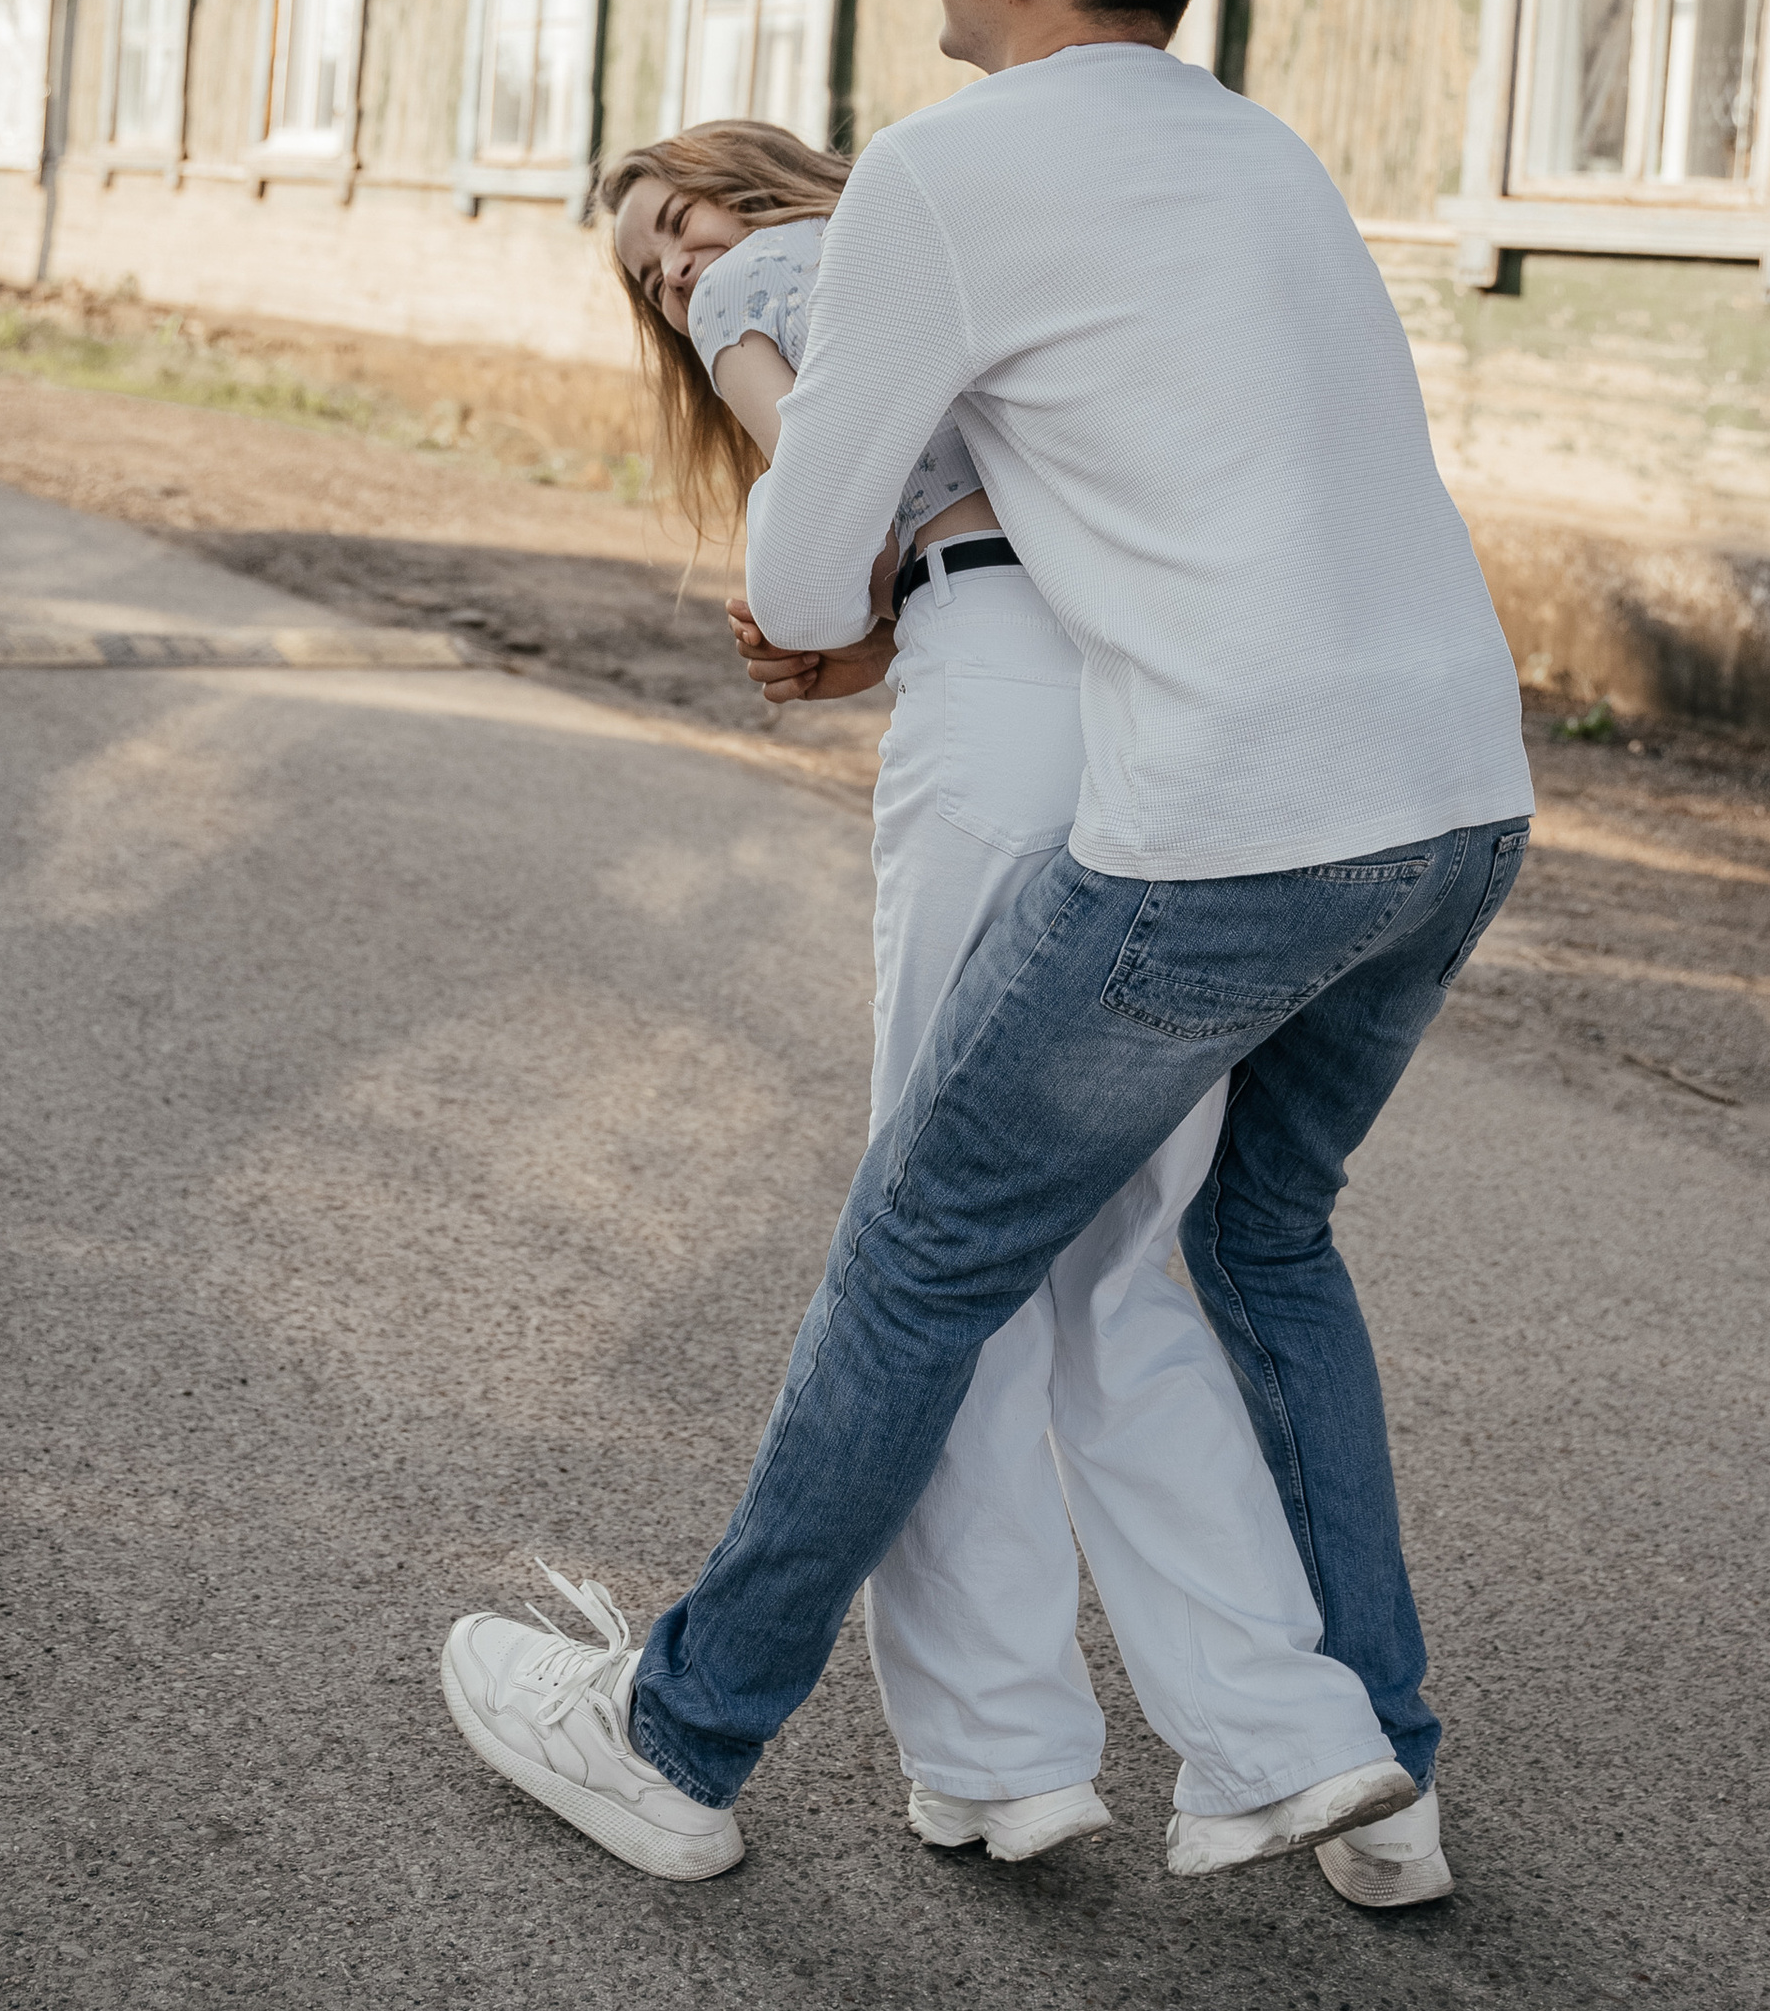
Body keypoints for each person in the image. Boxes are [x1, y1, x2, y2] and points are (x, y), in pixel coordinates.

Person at [439, 0, 1532, 1894]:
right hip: (1452, 803)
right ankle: (1359, 1767)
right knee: (1251, 1247)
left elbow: (790, 576)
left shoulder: (946, 175)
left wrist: (810, 588)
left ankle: (672, 1738)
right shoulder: (1265, 156)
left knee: (925, 1246)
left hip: (1221, 823)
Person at [551, 113, 1414, 1881]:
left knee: (925, 1249)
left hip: (994, 710)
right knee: (1116, 1258)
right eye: (652, 270)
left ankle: (1000, 1750)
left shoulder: (781, 279)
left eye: (679, 218)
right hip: (1141, 715)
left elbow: (820, 514)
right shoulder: (996, 265)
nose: (679, 269)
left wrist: (820, 597)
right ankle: (1281, 1729)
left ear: (753, 182)